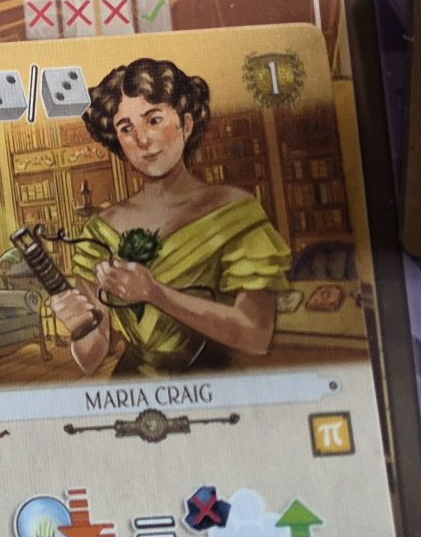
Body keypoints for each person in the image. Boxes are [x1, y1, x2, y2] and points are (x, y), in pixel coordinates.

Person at [52, 57, 291, 376]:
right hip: (132, 384)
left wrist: (154, 293)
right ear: (118, 141)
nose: (142, 139)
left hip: (211, 379)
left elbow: (256, 336)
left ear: (186, 125)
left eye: (153, 120)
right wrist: (80, 325)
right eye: (126, 128)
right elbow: (92, 358)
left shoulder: (235, 212)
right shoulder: (98, 231)